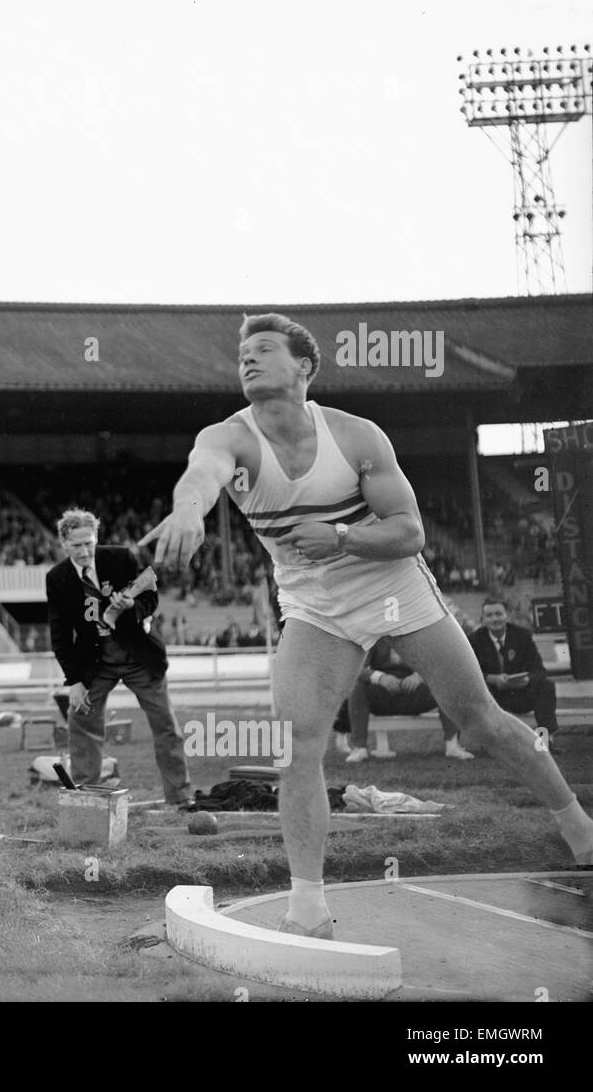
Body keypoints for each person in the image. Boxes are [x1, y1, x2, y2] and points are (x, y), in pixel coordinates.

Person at [140, 312, 593, 937]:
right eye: (243, 352)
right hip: (314, 608)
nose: (247, 359)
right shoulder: (230, 437)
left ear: (303, 367)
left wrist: (343, 536)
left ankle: (578, 826)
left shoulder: (355, 437)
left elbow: (410, 532)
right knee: (296, 746)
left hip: (393, 587)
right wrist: (187, 512)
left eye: (264, 349)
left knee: (480, 721)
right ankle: (308, 908)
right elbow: (202, 475)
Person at [46, 508, 193, 803]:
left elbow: (150, 597)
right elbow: (60, 635)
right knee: (83, 723)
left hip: (138, 656)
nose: (85, 550)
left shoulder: (121, 558)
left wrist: (132, 608)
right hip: (95, 664)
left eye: (89, 542)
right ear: (63, 544)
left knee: (166, 726)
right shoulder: (57, 578)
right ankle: (88, 799)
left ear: (96, 538)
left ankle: (181, 798)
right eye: (77, 545)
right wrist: (74, 681)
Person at [340, 637, 473, 762]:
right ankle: (360, 748)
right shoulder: (373, 637)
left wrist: (419, 676)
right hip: (384, 694)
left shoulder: (420, 634)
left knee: (446, 684)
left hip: (416, 694)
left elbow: (439, 662)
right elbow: (356, 668)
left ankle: (453, 745)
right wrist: (380, 677)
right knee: (358, 687)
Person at [468, 598, 560, 752]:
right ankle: (491, 744)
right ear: (483, 619)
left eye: (499, 614)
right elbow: (470, 674)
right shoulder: (474, 640)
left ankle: (545, 740)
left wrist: (526, 679)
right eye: (489, 615)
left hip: (520, 693)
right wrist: (493, 679)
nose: (494, 619)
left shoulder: (522, 636)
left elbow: (540, 670)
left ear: (507, 615)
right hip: (493, 697)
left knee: (546, 685)